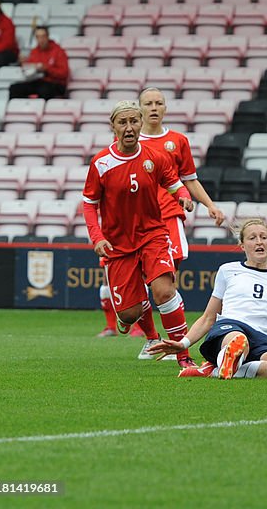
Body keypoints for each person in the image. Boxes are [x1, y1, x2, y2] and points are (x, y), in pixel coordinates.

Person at [82, 100, 198, 369]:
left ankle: (184, 358)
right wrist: (97, 237)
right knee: (129, 313)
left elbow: (174, 183)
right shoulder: (101, 163)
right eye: (123, 122)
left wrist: (183, 197)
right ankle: (146, 331)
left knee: (164, 292)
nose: (129, 127)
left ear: (140, 124)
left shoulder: (155, 157)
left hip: (152, 235)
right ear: (113, 126)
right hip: (118, 245)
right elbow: (89, 203)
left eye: (134, 121)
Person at [129, 87, 226, 360]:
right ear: (140, 109)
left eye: (159, 103)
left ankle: (176, 342)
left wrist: (210, 205)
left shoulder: (177, 141)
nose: (154, 108)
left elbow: (189, 179)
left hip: (168, 217)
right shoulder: (130, 142)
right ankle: (151, 339)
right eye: (148, 103)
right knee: (137, 287)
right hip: (134, 221)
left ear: (165, 108)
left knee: (165, 283)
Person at [149, 218, 267, 380]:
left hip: (261, 341)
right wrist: (183, 344)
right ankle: (230, 357)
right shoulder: (228, 270)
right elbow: (209, 317)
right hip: (230, 329)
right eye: (252, 238)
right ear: (242, 245)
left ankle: (214, 369)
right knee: (239, 341)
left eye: (264, 237)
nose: (259, 242)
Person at [8, 26, 68, 100]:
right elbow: (29, 70)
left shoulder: (58, 51)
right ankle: (22, 109)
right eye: (38, 37)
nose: (41, 40)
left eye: (43, 36)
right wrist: (24, 65)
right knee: (14, 88)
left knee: (44, 90)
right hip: (38, 81)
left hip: (55, 83)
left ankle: (39, 110)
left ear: (48, 37)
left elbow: (64, 73)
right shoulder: (34, 51)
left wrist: (47, 69)